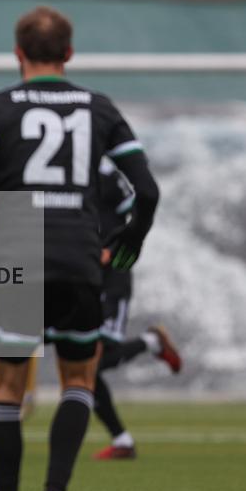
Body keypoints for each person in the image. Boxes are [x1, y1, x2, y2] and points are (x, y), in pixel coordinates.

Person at [0, 7, 159, 491]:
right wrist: (127, 243)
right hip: (78, 255)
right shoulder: (98, 107)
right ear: (69, 54)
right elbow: (145, 189)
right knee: (78, 380)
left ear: (17, 53)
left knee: (7, 390)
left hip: (19, 253)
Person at [91, 158, 182, 459]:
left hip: (112, 276)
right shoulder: (62, 173)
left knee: (89, 365)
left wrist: (114, 248)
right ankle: (122, 441)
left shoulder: (106, 174)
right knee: (82, 365)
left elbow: (138, 207)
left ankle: (122, 440)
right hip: (80, 276)